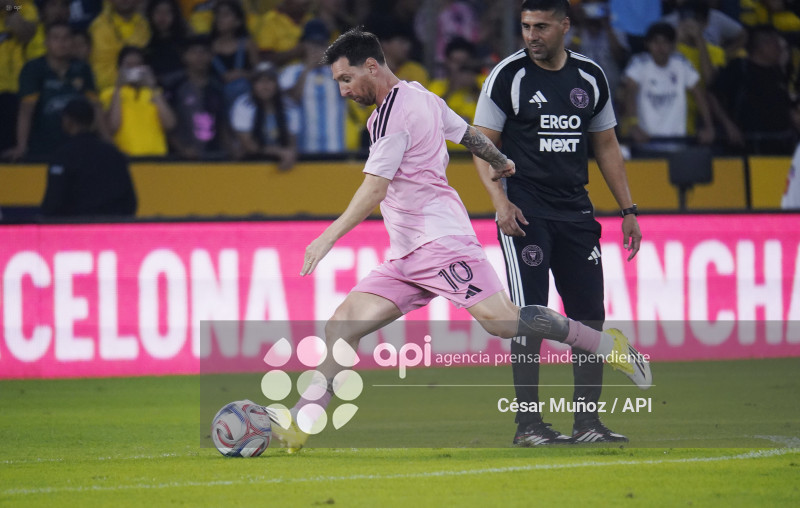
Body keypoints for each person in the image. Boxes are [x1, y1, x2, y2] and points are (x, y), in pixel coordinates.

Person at [270, 27, 651, 452]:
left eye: (345, 79)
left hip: (441, 242)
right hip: (407, 255)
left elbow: (374, 190)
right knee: (341, 327)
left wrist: (326, 238)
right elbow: (467, 133)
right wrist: (500, 158)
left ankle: (602, 343)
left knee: (505, 323)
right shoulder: (417, 97)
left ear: (372, 67)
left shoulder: (396, 113)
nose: (343, 90)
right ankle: (301, 426)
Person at [471, 0, 643, 447]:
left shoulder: (589, 76)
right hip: (526, 212)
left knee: (588, 318)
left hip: (577, 212)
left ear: (565, 26)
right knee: (530, 317)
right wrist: (500, 203)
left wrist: (627, 210)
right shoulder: (507, 76)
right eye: (527, 26)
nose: (532, 35)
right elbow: (481, 145)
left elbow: (605, 144)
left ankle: (587, 423)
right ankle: (528, 425)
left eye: (542, 27)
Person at [4, 22, 100, 161]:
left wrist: (108, 143)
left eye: (66, 38)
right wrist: (21, 146)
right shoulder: (34, 68)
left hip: (78, 147)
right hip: (43, 147)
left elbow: (95, 107)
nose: (62, 43)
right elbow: (26, 110)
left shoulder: (82, 68)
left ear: (73, 42)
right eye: (56, 38)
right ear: (46, 42)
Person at [622, 22, 715, 148]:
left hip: (676, 142)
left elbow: (699, 94)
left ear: (672, 45)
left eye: (665, 42)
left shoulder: (681, 63)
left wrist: (708, 126)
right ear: (648, 44)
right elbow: (630, 92)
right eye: (655, 42)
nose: (660, 47)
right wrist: (633, 125)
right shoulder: (639, 63)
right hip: (646, 141)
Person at [41, 97, 136, 217]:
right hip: (111, 227)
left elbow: (53, 200)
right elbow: (130, 202)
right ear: (92, 122)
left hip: (76, 228)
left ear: (68, 121)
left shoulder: (64, 155)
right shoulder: (114, 154)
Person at [280, 18, 346, 154]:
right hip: (304, 149)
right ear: (303, 45)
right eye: (312, 44)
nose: (316, 49)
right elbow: (292, 100)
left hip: (336, 147)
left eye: (321, 44)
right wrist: (308, 67)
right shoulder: (291, 71)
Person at [101, 46, 177, 157]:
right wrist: (118, 89)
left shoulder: (156, 93)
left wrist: (153, 87)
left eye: (138, 65)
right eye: (129, 65)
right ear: (119, 68)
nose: (134, 69)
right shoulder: (108, 94)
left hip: (157, 158)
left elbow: (170, 125)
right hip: (126, 158)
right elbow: (113, 126)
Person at [167, 35, 229, 159]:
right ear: (184, 57)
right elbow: (167, 125)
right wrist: (182, 149)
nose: (199, 57)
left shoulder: (218, 87)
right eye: (194, 52)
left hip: (214, 155)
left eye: (204, 52)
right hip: (180, 157)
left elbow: (223, 124)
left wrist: (228, 151)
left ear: (211, 57)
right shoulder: (174, 85)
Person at [229, 62, 299, 168]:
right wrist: (279, 152)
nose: (265, 86)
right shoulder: (243, 104)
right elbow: (248, 145)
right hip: (248, 163)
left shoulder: (289, 106)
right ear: (253, 85)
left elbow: (292, 142)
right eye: (260, 81)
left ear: (277, 84)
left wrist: (290, 154)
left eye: (269, 81)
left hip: (281, 163)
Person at [88, 0, 150, 90]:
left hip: (144, 88)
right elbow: (101, 68)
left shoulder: (144, 25)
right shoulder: (99, 27)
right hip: (109, 91)